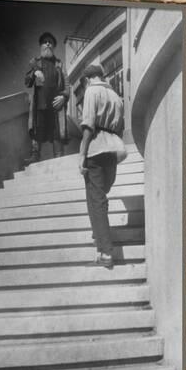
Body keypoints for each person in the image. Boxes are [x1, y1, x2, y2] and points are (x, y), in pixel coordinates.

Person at [78, 64, 127, 269]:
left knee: (95, 199)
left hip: (96, 149)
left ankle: (106, 252)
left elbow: (88, 125)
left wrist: (82, 153)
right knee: (99, 197)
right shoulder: (116, 96)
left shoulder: (91, 91)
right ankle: (99, 236)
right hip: (113, 149)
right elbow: (121, 127)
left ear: (88, 79)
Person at [24, 32, 70, 163]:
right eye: (45, 41)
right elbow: (27, 82)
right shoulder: (34, 62)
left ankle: (59, 157)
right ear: (41, 45)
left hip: (56, 105)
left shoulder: (59, 64)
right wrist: (34, 73)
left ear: (53, 47)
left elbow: (67, 85)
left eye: (51, 42)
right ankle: (35, 155)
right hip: (40, 104)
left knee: (57, 133)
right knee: (37, 129)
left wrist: (64, 97)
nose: (48, 44)